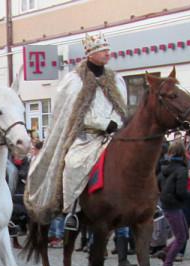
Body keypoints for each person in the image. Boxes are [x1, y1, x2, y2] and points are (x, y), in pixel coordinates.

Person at [25, 32, 127, 229]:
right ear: (91, 53)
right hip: (86, 136)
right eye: (103, 50)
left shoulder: (116, 80)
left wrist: (114, 123)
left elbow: (121, 106)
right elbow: (75, 111)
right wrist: (102, 124)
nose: (108, 54)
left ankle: (146, 203)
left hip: (113, 135)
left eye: (108, 50)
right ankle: (73, 209)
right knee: (73, 163)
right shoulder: (73, 81)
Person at [156, 141, 190, 266]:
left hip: (168, 204)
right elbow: (181, 192)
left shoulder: (165, 167)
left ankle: (165, 252)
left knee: (185, 234)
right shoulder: (181, 170)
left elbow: (158, 184)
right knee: (181, 237)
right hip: (174, 205)